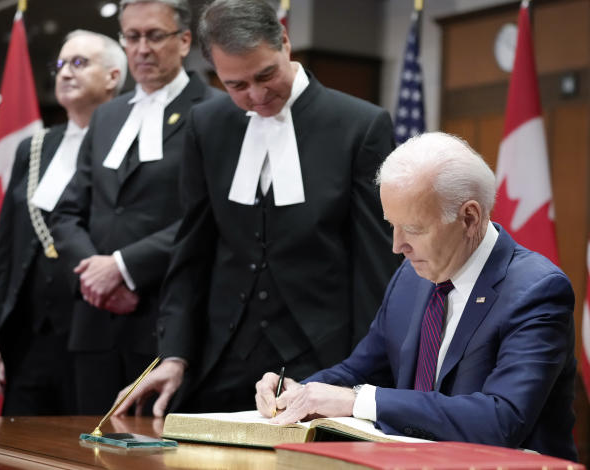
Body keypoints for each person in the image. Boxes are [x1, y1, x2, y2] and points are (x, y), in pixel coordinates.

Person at [114, 0, 400, 418]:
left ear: (284, 41)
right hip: (221, 356)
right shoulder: (207, 124)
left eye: (265, 75)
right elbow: (191, 251)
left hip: (322, 357)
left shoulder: (360, 125)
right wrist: (174, 354)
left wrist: (365, 375)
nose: (257, 94)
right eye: (236, 85)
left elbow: (376, 267)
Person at [254, 132, 579, 462]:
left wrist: (357, 401)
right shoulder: (411, 277)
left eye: (414, 229)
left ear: (469, 218)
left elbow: (501, 421)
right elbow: (360, 371)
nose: (397, 246)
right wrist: (298, 392)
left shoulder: (537, 291)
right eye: (392, 225)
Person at [49, 0, 221, 414]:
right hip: (94, 319)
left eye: (154, 35)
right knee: (85, 449)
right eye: (132, 37)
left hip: (166, 321)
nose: (142, 48)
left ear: (183, 42)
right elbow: (67, 211)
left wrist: (124, 266)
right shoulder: (107, 116)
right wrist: (95, 273)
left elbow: (208, 218)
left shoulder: (215, 110)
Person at [0, 30, 127, 415]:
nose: (65, 73)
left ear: (114, 76)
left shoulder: (127, 145)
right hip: (27, 337)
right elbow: (5, 248)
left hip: (96, 332)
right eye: (61, 64)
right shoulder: (34, 147)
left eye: (79, 63)